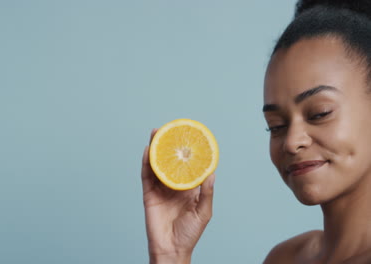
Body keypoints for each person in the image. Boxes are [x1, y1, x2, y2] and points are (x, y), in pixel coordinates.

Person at [140, 0, 371, 263]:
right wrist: (171, 255)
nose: (291, 142)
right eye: (276, 126)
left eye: (319, 114)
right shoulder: (284, 258)